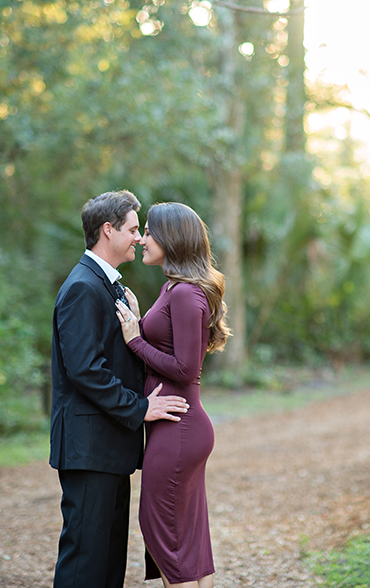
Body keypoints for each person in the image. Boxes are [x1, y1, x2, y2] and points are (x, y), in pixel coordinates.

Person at [49, 190, 190, 588]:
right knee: (85, 561)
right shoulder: (82, 287)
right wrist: (139, 407)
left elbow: (113, 357)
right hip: (89, 447)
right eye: (132, 229)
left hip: (107, 447)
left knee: (108, 560)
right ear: (107, 231)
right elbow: (85, 370)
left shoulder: (108, 285)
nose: (139, 238)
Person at [115, 202, 231, 588]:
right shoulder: (174, 288)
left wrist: (134, 340)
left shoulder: (184, 294)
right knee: (189, 543)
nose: (142, 239)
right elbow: (169, 342)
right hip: (178, 425)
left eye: (148, 231)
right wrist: (139, 317)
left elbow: (185, 368)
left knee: (165, 533)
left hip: (179, 428)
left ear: (171, 238)